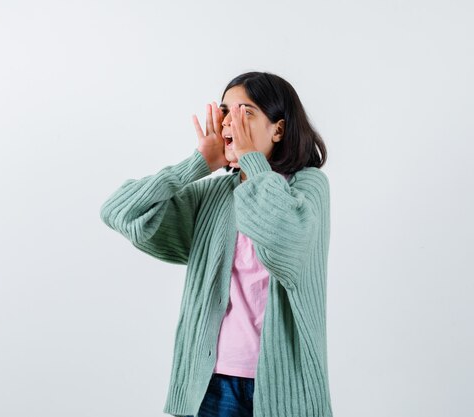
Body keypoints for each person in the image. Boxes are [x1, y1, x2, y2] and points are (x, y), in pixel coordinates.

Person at [99, 71, 332, 417]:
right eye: (226, 112)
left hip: (285, 387)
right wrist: (197, 164)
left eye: (246, 113)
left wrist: (252, 161)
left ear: (278, 130)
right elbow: (120, 211)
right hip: (209, 383)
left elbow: (283, 240)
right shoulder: (214, 196)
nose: (230, 124)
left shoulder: (308, 188)